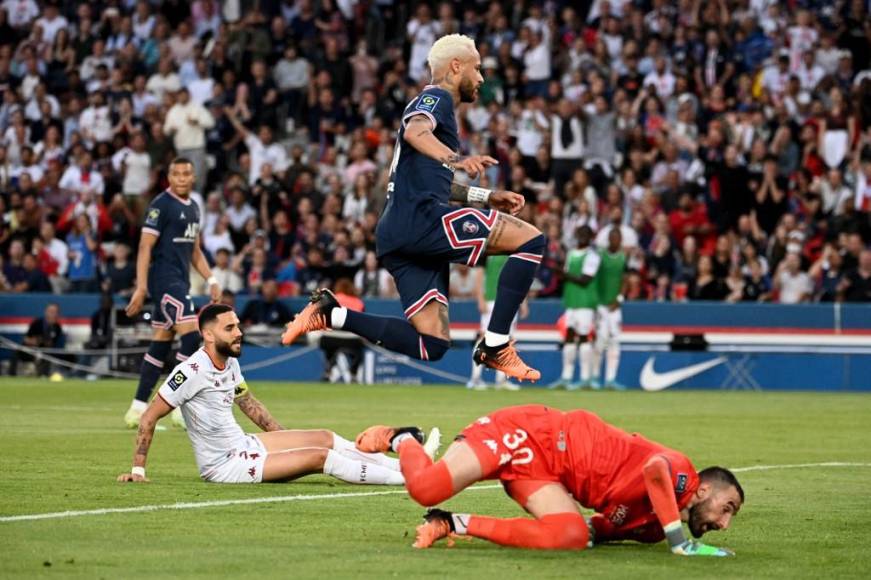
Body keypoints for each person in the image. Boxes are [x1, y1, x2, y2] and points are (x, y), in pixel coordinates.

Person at [282, 34, 545, 383]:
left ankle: (333, 315)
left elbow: (432, 181)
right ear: (456, 66)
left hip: (398, 231)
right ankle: (496, 345)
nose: (481, 78)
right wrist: (459, 159)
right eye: (477, 68)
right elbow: (415, 132)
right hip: (423, 221)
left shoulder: (437, 107)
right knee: (531, 241)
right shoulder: (436, 97)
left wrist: (484, 196)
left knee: (432, 343)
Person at [356, 405, 742, 556]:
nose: (724, 523)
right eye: (727, 508)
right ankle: (403, 438)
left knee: (571, 536)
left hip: (543, 474)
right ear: (704, 489)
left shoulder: (652, 528)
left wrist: (593, 531)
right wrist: (681, 543)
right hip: (528, 433)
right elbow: (655, 471)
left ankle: (449, 522)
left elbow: (601, 529)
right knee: (424, 488)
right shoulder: (682, 475)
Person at [117, 303, 419, 486]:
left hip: (244, 444)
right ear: (208, 335)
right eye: (230, 328)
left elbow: (247, 403)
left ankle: (406, 465)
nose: (239, 332)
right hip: (224, 465)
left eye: (237, 325)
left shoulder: (230, 361)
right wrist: (137, 470)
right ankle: (409, 479)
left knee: (324, 437)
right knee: (320, 456)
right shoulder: (190, 371)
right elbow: (149, 416)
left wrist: (285, 442)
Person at [123, 158, 221, 429]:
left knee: (161, 343)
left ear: (193, 178)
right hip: (165, 281)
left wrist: (211, 278)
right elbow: (144, 247)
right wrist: (141, 286)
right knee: (191, 337)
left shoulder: (193, 208)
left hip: (180, 282)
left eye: (186, 174)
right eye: (176, 173)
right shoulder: (160, 206)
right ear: (168, 176)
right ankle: (177, 405)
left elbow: (195, 251)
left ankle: (137, 408)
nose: (181, 178)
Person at [467, 255, 527, 391]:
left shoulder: (516, 253)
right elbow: (479, 275)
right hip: (492, 299)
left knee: (506, 340)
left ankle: (501, 380)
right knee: (484, 338)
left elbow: (520, 278)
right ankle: (475, 379)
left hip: (511, 300)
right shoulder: (488, 251)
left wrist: (523, 301)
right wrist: (480, 298)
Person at [556, 225, 600, 389]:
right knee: (568, 336)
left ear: (590, 237)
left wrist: (562, 273)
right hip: (571, 301)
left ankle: (585, 377)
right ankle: (566, 377)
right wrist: (561, 274)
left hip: (585, 302)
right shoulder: (571, 254)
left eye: (585, 234)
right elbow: (567, 275)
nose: (582, 236)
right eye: (580, 233)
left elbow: (585, 279)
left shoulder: (592, 256)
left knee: (583, 337)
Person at [592, 228, 628, 390]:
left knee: (614, 341)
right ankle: (594, 377)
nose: (615, 241)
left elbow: (626, 280)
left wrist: (619, 298)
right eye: (612, 238)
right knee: (600, 341)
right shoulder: (600, 256)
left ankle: (610, 380)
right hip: (600, 305)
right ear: (608, 239)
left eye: (618, 238)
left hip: (614, 307)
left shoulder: (622, 257)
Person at [10, 303, 65, 377]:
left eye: (54, 312)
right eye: (50, 311)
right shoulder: (37, 323)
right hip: (31, 350)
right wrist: (35, 341)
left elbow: (53, 343)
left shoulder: (57, 327)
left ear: (57, 314)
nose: (52, 314)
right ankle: (11, 375)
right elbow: (26, 339)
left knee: (49, 356)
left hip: (45, 352)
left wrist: (44, 342)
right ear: (46, 312)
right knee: (16, 352)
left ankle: (43, 376)